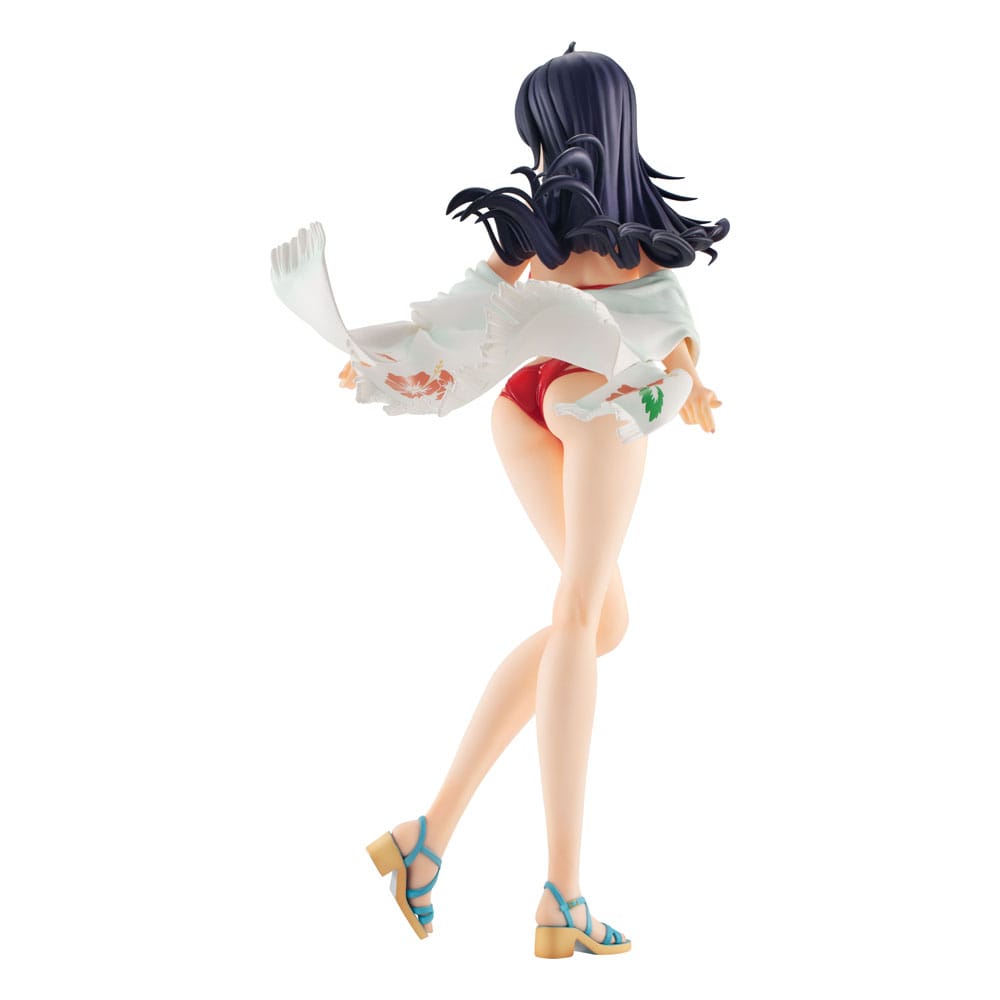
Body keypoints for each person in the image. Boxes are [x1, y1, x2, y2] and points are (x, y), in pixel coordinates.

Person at [270, 42, 727, 958]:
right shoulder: (639, 243)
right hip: (591, 403)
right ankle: (564, 893)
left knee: (597, 622)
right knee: (581, 616)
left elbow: (462, 318)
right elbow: (667, 345)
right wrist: (677, 388)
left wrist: (384, 354)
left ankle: (426, 836)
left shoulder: (539, 236)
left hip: (523, 409)